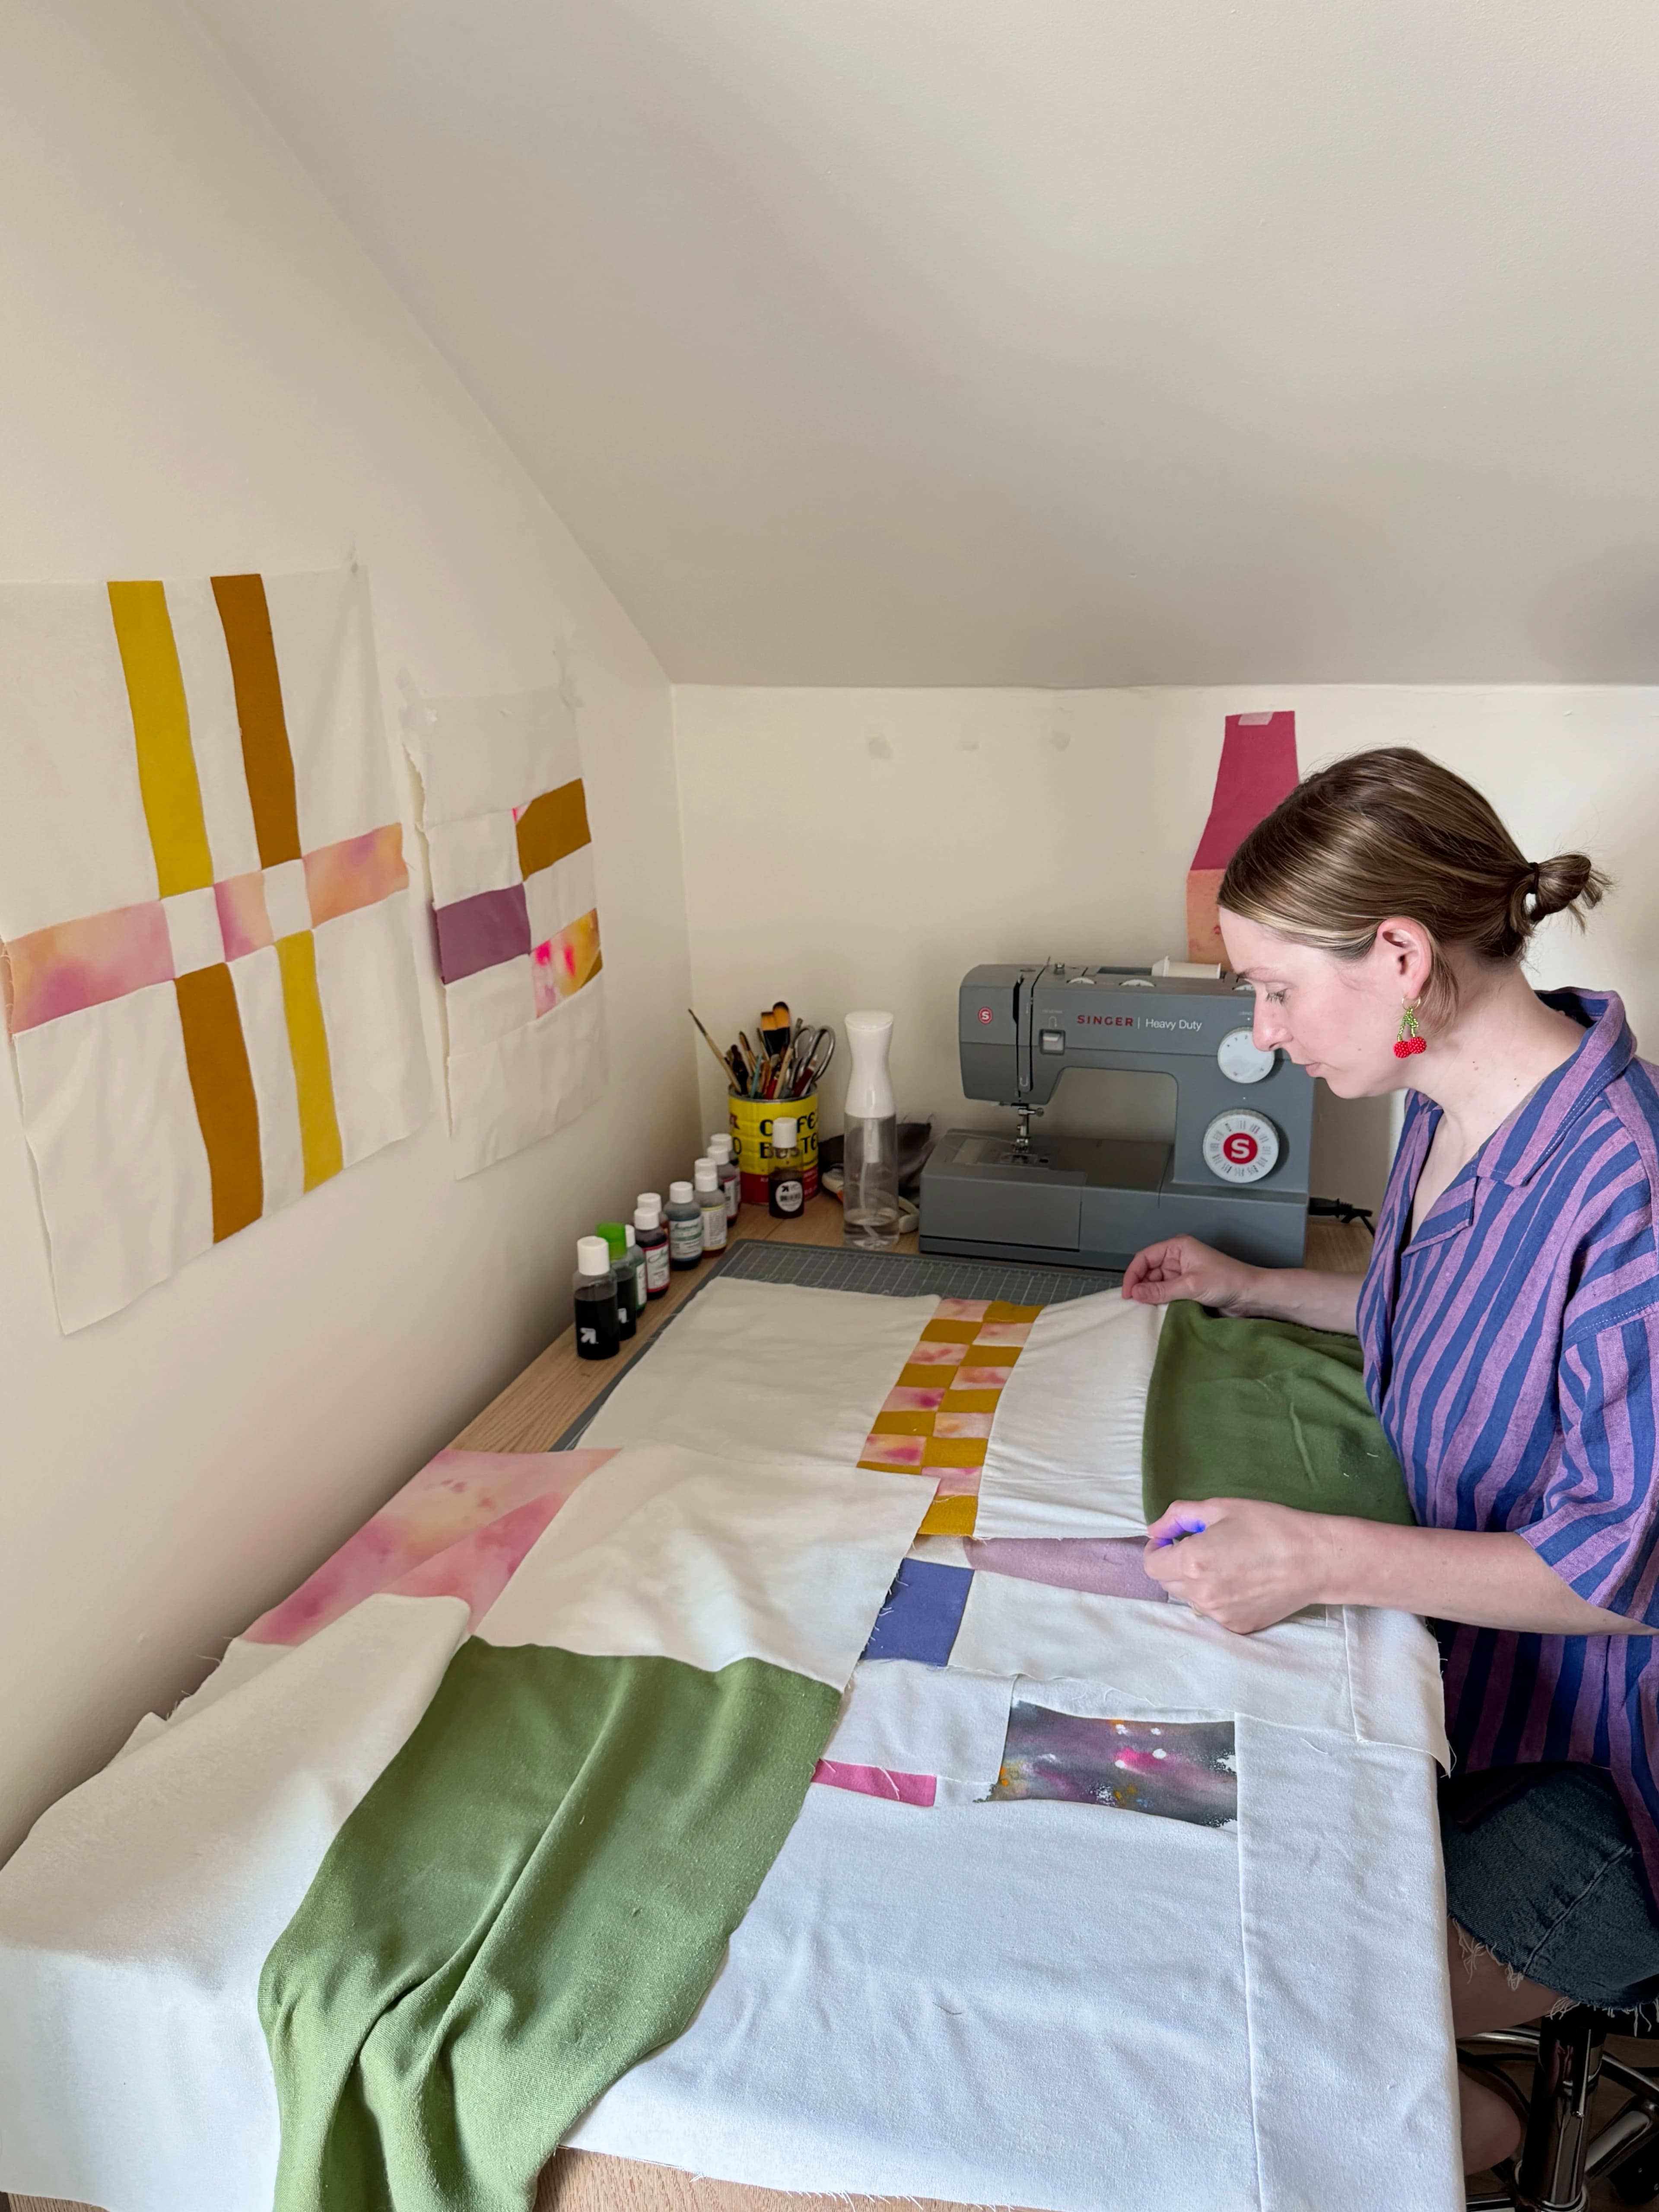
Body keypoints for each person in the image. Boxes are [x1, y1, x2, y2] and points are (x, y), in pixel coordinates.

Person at [1122, 746, 1659, 2177]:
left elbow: (1613, 1574)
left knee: (1238, 2011)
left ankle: (1468, 2132)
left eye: (1277, 988)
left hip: (1601, 1792)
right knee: (1159, 1872)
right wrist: (1260, 1286)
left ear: (1403, 955)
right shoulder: (1440, 1107)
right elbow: (1458, 1315)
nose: (1261, 1030)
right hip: (1458, 1690)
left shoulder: (1631, 1189)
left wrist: (1313, 1554)